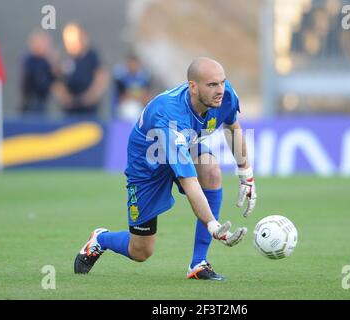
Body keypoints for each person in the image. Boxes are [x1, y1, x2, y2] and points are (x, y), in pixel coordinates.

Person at [74, 57, 257, 280]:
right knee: (141, 251)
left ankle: (198, 263)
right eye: (212, 85)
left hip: (186, 145)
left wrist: (246, 174)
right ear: (193, 87)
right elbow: (189, 182)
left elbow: (232, 126)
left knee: (211, 170)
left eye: (222, 82)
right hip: (148, 164)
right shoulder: (170, 114)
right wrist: (212, 224)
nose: (220, 90)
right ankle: (100, 239)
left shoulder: (225, 95)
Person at [53, 22, 109, 117]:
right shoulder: (63, 56)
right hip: (68, 109)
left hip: (89, 108)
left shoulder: (92, 55)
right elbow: (56, 80)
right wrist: (65, 97)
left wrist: (89, 97)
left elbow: (101, 78)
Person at [20, 30, 55, 115]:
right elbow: (40, 81)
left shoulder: (44, 61)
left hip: (41, 101)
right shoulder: (30, 60)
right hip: (32, 103)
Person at [112, 54, 152, 121]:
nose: (133, 66)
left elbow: (146, 96)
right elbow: (121, 98)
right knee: (130, 110)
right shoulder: (120, 77)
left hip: (139, 106)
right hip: (124, 107)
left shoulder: (144, 77)